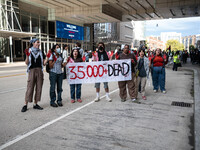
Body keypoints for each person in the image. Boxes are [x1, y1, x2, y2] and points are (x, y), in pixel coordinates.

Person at [21, 38, 47, 112]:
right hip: (32, 70)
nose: (39, 44)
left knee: (39, 88)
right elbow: (26, 63)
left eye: (39, 42)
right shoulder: (29, 51)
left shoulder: (41, 52)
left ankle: (35, 104)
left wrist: (47, 57)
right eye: (37, 42)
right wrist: (27, 55)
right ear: (33, 43)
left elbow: (44, 63)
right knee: (30, 88)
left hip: (39, 70)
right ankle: (25, 104)